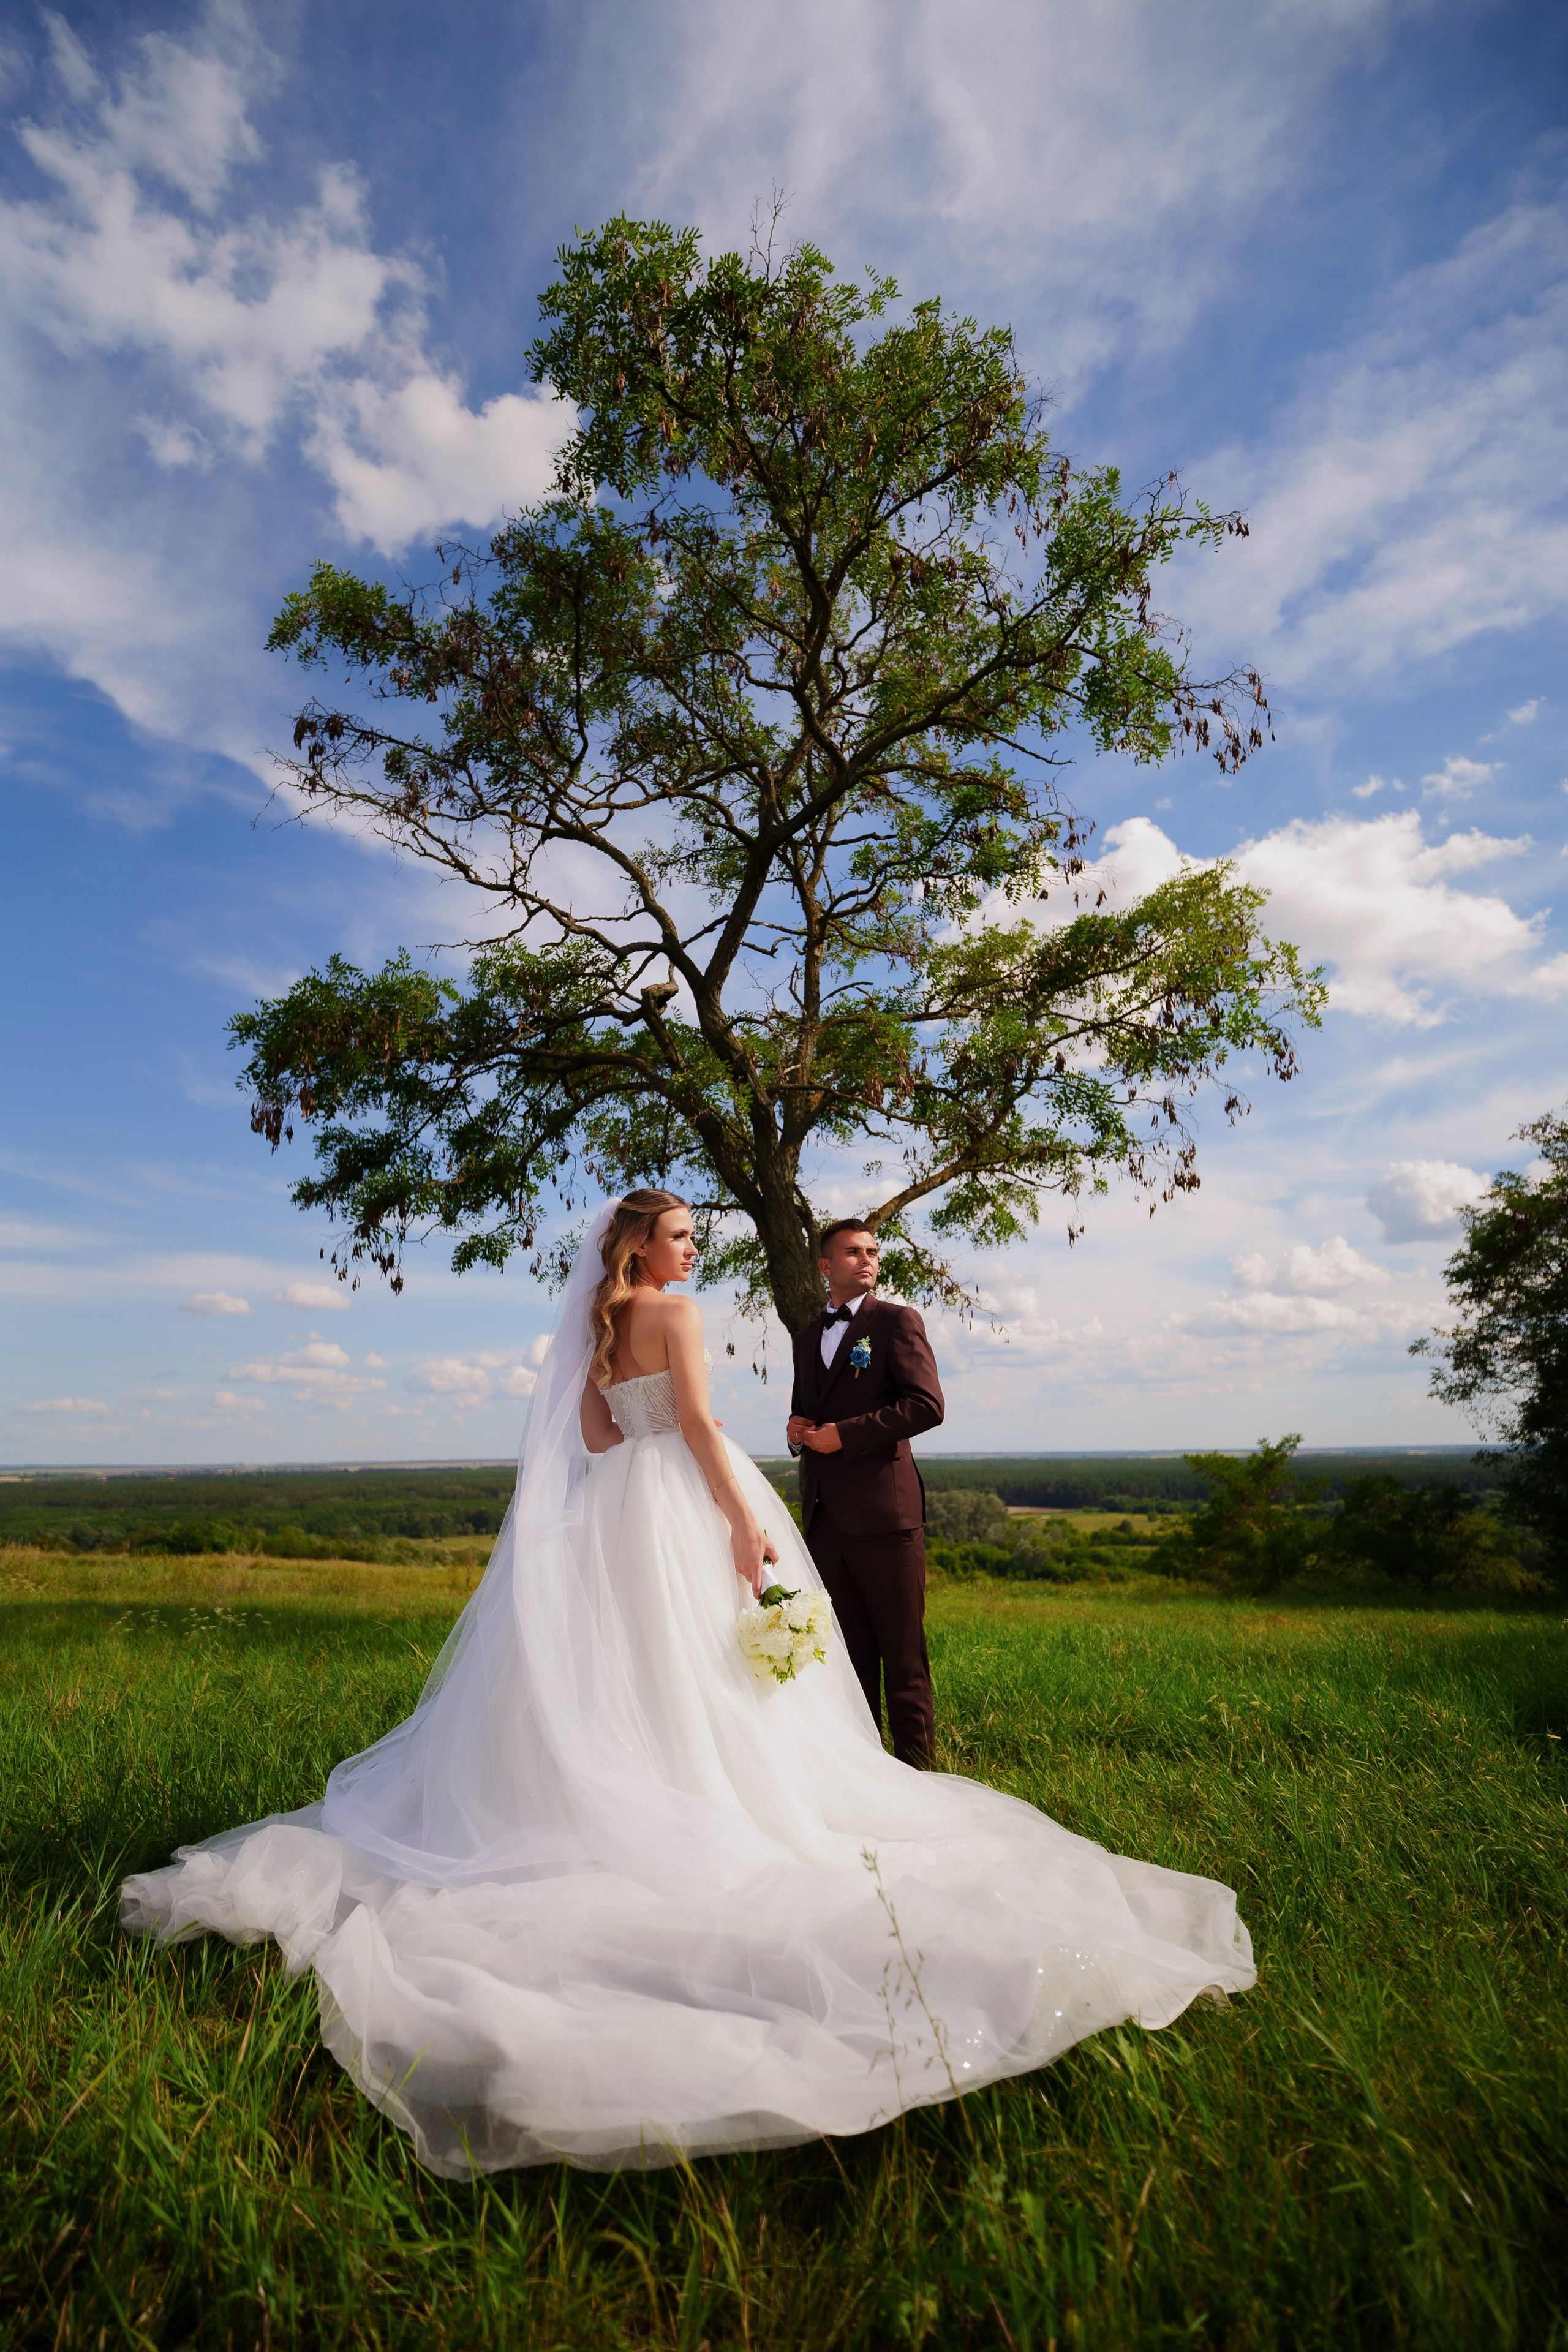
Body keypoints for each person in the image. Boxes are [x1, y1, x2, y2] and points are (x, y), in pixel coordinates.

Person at [121, 1191, 1254, 2179]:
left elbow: (596, 1433)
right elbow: (704, 1424)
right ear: (643, 1247)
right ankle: (713, 1805)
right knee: (718, 1673)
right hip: (682, 1499)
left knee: (630, 1669)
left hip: (616, 1512)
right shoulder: (679, 1315)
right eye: (679, 1236)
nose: (693, 1250)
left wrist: (645, 1476)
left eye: (694, 1237)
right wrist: (735, 1520)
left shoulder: (602, 1322)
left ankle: (620, 1794)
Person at [787, 1220, 943, 1766]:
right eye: (853, 1252)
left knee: (903, 1659)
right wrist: (797, 1429)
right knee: (849, 1664)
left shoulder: (898, 1322)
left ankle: (919, 1777)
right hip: (826, 1522)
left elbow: (927, 1406)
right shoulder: (807, 1339)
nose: (867, 1259)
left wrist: (844, 1436)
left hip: (886, 1518)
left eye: (873, 1251)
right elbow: (808, 1408)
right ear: (825, 1266)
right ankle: (871, 1779)